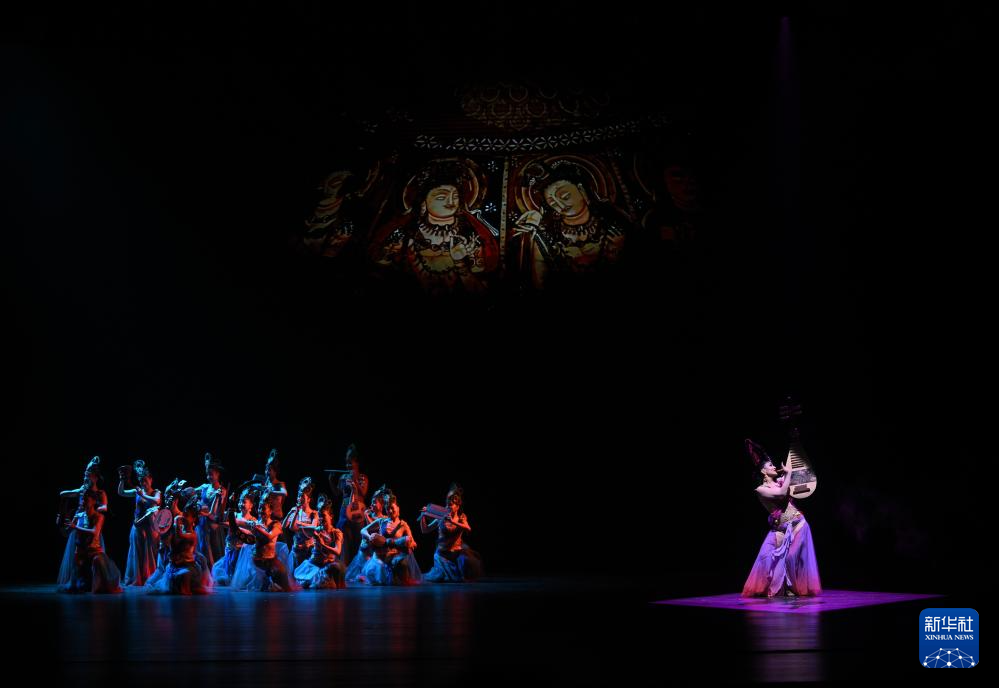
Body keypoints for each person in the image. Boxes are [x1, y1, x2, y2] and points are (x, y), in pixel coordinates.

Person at [369, 160, 499, 294]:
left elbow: (480, 287)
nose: (451, 202)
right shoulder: (406, 233)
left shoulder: (470, 236)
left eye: (455, 197)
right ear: (423, 201)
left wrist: (461, 263)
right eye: (441, 197)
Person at [510, 161, 632, 289]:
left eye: (565, 196)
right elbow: (539, 282)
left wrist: (615, 253)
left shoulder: (612, 220)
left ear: (581, 189)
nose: (561, 205)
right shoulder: (546, 234)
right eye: (553, 203)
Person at [741, 439, 822, 598]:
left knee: (791, 557)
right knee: (767, 558)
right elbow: (780, 494)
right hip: (781, 529)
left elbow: (801, 482)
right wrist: (788, 474)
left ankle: (794, 588)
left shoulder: (780, 482)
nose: (773, 466)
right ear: (763, 471)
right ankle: (782, 588)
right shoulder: (761, 489)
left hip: (798, 524)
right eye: (770, 465)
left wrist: (795, 441)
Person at [57, 456, 108, 587]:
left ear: (95, 478)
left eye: (88, 476)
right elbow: (63, 494)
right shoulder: (82, 490)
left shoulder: (100, 493)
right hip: (79, 523)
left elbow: (105, 507)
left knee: (92, 551)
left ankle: (93, 580)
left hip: (92, 523)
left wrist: (94, 508)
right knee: (77, 553)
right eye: (85, 475)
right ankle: (78, 580)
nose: (86, 478)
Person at [58, 490, 122, 594]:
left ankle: (97, 587)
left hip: (94, 551)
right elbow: (67, 532)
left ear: (93, 501)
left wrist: (75, 527)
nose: (83, 501)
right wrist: (60, 524)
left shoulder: (99, 516)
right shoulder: (78, 516)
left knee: (97, 561)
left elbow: (94, 532)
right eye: (82, 499)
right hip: (80, 551)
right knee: (78, 570)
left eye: (86, 499)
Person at [419, 483, 482, 582]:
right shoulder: (441, 517)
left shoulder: (461, 517)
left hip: (455, 553)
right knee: (440, 576)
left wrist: (453, 522)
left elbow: (468, 528)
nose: (448, 507)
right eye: (447, 504)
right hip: (442, 554)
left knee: (464, 562)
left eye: (451, 505)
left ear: (457, 507)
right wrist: (423, 516)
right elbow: (425, 530)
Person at [358, 494, 421, 586]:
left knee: (400, 567)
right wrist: (369, 536)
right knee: (380, 571)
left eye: (392, 508)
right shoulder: (381, 521)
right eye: (387, 509)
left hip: (394, 557)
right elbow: (363, 530)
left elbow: (413, 543)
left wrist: (410, 543)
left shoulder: (403, 525)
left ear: (398, 508)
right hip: (381, 557)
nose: (390, 511)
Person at [118, 459, 161, 586]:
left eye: (145, 480)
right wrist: (122, 480)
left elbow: (157, 501)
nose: (143, 483)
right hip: (138, 526)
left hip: (151, 528)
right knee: (137, 552)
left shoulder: (156, 492)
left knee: (150, 553)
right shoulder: (137, 491)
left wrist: (143, 495)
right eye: (141, 481)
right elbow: (121, 492)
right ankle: (138, 577)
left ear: (151, 479)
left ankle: (150, 577)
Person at [293, 494, 345, 589]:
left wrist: (322, 544)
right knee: (308, 584)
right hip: (314, 563)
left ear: (331, 516)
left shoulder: (336, 533)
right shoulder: (316, 530)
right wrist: (296, 512)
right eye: (320, 516)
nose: (321, 519)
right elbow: (294, 528)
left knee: (335, 568)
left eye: (323, 516)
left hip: (327, 564)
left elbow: (338, 551)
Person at [329, 443, 368, 568]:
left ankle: (358, 569)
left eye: (350, 463)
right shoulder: (343, 477)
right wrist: (331, 481)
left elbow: (364, 493)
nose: (348, 466)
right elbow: (337, 493)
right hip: (344, 511)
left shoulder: (362, 477)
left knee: (358, 541)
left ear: (357, 463)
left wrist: (355, 481)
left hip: (358, 512)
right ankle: (344, 569)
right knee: (345, 542)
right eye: (346, 463)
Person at [344, 483, 390, 583]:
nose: (372, 504)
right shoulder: (367, 514)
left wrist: (367, 517)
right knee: (366, 569)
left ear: (381, 505)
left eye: (374, 502)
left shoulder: (384, 518)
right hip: (366, 549)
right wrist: (354, 491)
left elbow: (376, 528)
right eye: (372, 502)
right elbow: (351, 508)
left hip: (377, 550)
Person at [195, 453, 227, 568]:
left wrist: (209, 515)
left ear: (217, 474)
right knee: (203, 548)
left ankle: (214, 572)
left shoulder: (222, 490)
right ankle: (204, 571)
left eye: (211, 474)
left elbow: (219, 511)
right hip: (202, 523)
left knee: (214, 549)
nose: (209, 477)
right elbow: (192, 491)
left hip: (213, 523)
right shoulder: (204, 487)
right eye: (207, 474)